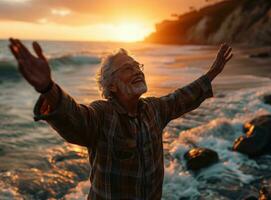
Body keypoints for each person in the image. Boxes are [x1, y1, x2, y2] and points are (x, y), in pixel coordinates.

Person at [8, 38, 233, 200]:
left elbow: (181, 98)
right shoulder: (102, 115)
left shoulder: (153, 109)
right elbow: (74, 117)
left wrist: (212, 73)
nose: (137, 70)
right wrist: (48, 88)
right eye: (127, 68)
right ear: (111, 85)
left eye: (138, 66)